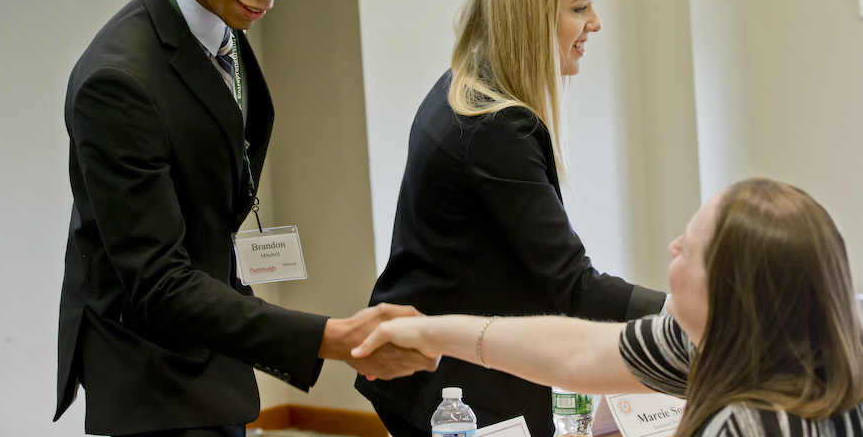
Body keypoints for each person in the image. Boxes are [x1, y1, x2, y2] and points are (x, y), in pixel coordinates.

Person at [54, 0, 435, 437]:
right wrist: (334, 337)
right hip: (152, 379)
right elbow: (157, 283)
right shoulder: (118, 81)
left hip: (212, 360)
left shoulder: (220, 29)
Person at [354, 0, 667, 437]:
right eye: (580, 8)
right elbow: (574, 285)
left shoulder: (462, 88)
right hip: (453, 389)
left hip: (439, 367)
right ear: (532, 16)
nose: (595, 24)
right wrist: (685, 318)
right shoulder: (495, 126)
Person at [353, 178, 863, 437]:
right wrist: (431, 332)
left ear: (730, 293)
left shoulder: (748, 422)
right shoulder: (738, 344)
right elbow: (576, 351)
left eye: (690, 246)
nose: (672, 246)